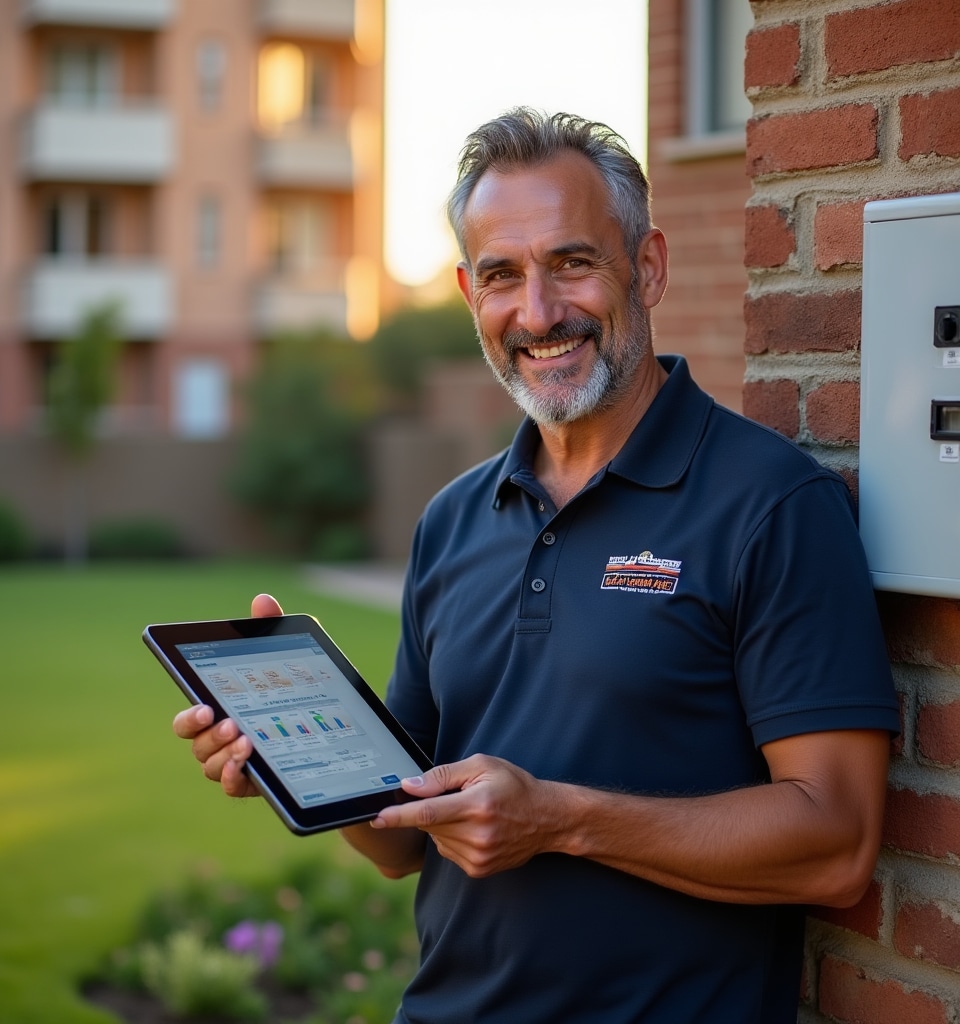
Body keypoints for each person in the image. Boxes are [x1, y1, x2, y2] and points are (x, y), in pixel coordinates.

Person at [176, 108, 900, 1023]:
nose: (539, 312)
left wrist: (559, 820)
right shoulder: (452, 520)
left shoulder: (773, 504)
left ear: (648, 267)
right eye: (501, 275)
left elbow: (837, 845)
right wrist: (297, 758)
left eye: (572, 262)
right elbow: (402, 842)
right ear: (468, 294)